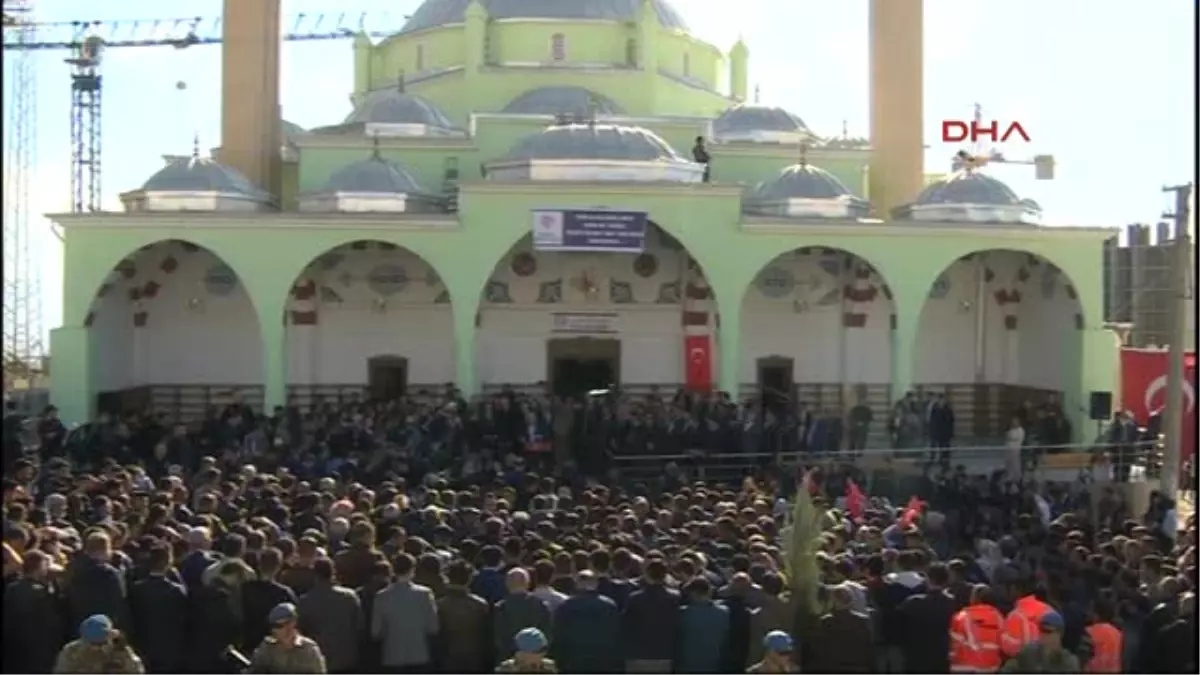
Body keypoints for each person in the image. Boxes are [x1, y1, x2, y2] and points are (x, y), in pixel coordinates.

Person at [371, 552, 439, 672]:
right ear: (412, 570)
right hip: (419, 655)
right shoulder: (424, 594)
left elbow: (376, 632)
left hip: (392, 656)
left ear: (393, 570)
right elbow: (433, 628)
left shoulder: (381, 596)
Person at [296, 557, 363, 673]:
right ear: (333, 573)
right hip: (347, 659)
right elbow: (360, 626)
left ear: (315, 575)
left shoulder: (306, 601)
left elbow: (300, 631)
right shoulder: (350, 596)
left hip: (319, 658)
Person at [249, 602, 327, 674]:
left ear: (295, 623)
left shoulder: (309, 649)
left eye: (288, 624)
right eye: (278, 626)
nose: (285, 630)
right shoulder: (266, 649)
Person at [494, 567, 552, 663]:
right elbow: (548, 635)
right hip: (535, 660)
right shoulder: (540, 605)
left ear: (507, 584)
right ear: (528, 583)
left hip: (510, 660)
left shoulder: (500, 608)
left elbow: (498, 639)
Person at [53, 614, 144, 675]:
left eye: (101, 644)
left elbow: (138, 671)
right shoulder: (71, 651)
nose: (97, 648)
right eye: (93, 644)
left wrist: (123, 651)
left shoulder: (118, 649)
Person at [1001, 611, 1080, 672]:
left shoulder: (1068, 662)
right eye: (1042, 630)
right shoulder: (1029, 652)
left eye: (1048, 631)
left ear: (1060, 634)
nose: (1044, 635)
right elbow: (1009, 668)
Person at [949, 584, 1004, 673]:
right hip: (989, 668)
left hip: (962, 668)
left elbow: (952, 645)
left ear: (973, 598)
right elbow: (1003, 645)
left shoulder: (960, 617)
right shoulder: (998, 618)